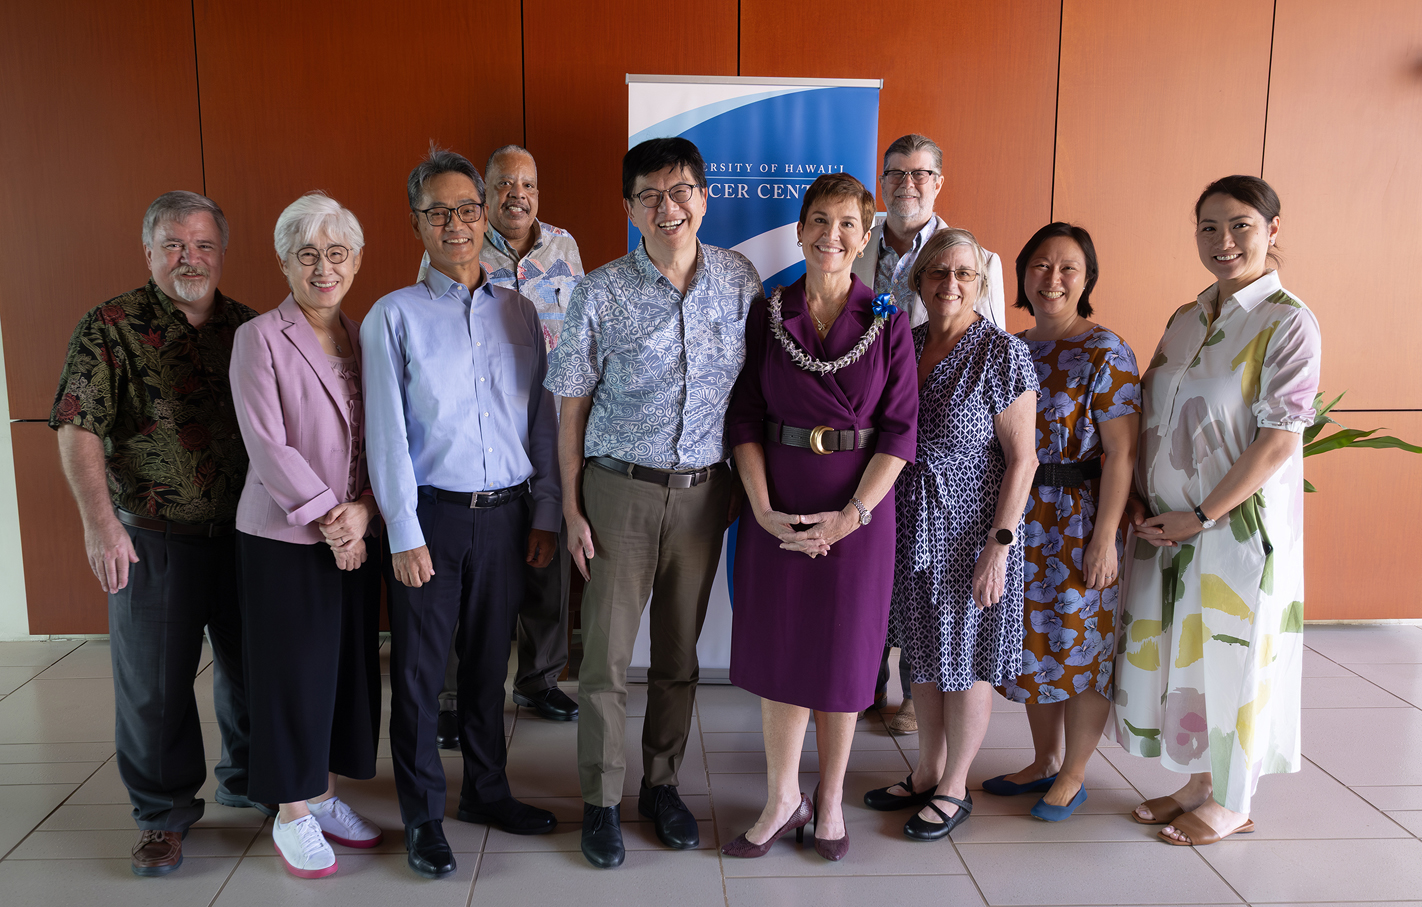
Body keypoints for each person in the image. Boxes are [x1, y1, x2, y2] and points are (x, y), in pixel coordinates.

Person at [544, 136, 762, 869]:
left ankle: (661, 785)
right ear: (629, 207)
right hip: (618, 490)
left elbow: (755, 396)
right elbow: (569, 406)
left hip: (706, 495)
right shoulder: (600, 290)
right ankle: (602, 800)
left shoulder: (740, 281)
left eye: (679, 191)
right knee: (604, 657)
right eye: (649, 195)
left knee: (678, 655)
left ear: (703, 197)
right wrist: (572, 507)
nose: (666, 207)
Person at [362, 146, 562, 879]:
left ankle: (486, 790)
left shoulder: (520, 311)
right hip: (433, 521)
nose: (456, 225)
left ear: (487, 216)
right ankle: (422, 813)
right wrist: (403, 531)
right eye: (438, 212)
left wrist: (545, 511)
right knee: (418, 674)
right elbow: (385, 434)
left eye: (467, 210)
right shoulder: (393, 317)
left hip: (507, 518)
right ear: (416, 222)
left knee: (488, 668)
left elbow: (540, 422)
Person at [51, 190, 259, 877]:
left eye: (202, 244)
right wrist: (100, 525)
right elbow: (78, 425)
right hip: (152, 537)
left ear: (220, 251)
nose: (189, 257)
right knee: (155, 686)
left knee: (252, 668)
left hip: (246, 533)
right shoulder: (110, 325)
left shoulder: (249, 328)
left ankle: (250, 775)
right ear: (149, 252)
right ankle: (163, 816)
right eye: (173, 244)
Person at [1115, 175, 1320, 846]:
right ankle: (1200, 779)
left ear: (1273, 229)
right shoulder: (1186, 316)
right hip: (1166, 527)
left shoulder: (1287, 321)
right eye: (1208, 226)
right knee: (1186, 654)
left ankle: (1235, 797)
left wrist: (1201, 514)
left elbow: (1279, 439)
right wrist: (1143, 496)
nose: (1223, 240)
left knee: (1235, 654)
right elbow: (1151, 409)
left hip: (1231, 529)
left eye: (1239, 225)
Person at [720, 174, 917, 862]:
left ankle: (828, 799)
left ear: (865, 238)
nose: (831, 235)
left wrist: (851, 516)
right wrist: (762, 506)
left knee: (843, 655)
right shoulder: (769, 310)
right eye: (818, 221)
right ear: (800, 229)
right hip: (776, 504)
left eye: (846, 225)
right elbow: (743, 413)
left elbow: (899, 432)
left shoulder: (888, 319)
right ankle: (781, 797)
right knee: (783, 649)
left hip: (859, 512)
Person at [230, 193, 384, 878]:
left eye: (337, 253)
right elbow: (268, 445)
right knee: (291, 674)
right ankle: (291, 809)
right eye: (308, 254)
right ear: (284, 261)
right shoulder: (260, 337)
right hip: (285, 538)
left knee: (341, 669)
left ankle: (322, 794)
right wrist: (332, 517)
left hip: (355, 527)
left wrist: (367, 510)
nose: (324, 268)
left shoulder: (363, 333)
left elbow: (384, 436)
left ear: (356, 260)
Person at [865, 227, 1038, 840]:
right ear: (917, 283)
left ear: (981, 284)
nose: (951, 284)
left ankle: (954, 786)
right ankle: (926, 771)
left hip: (973, 532)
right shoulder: (903, 344)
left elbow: (1024, 459)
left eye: (964, 274)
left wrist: (1000, 545)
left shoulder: (1002, 354)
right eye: (938, 273)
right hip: (910, 523)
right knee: (925, 656)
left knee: (965, 661)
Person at [421, 145, 585, 744]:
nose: (518, 194)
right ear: (484, 194)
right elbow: (431, 333)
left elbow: (584, 328)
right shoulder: (457, 242)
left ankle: (538, 677)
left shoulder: (564, 246)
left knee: (548, 553)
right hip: (475, 428)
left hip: (553, 421)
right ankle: (450, 695)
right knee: (465, 576)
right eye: (504, 184)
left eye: (529, 184)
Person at [851, 134, 1008, 731]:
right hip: (861, 430)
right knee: (875, 561)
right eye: (895, 174)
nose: (907, 184)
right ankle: (867, 680)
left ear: (939, 182)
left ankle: (919, 694)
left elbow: (984, 355)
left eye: (920, 174)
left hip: (939, 443)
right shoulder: (855, 244)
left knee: (926, 571)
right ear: (881, 181)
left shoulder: (974, 258)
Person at [984, 224, 1140, 821]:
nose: (1053, 279)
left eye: (1068, 268)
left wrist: (1106, 537)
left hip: (1077, 517)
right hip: (1018, 515)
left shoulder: (1106, 350)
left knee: (1082, 645)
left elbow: (1122, 453)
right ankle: (1043, 758)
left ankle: (1074, 772)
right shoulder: (1011, 346)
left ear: (1087, 278)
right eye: (1041, 267)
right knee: (1030, 643)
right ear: (1022, 275)